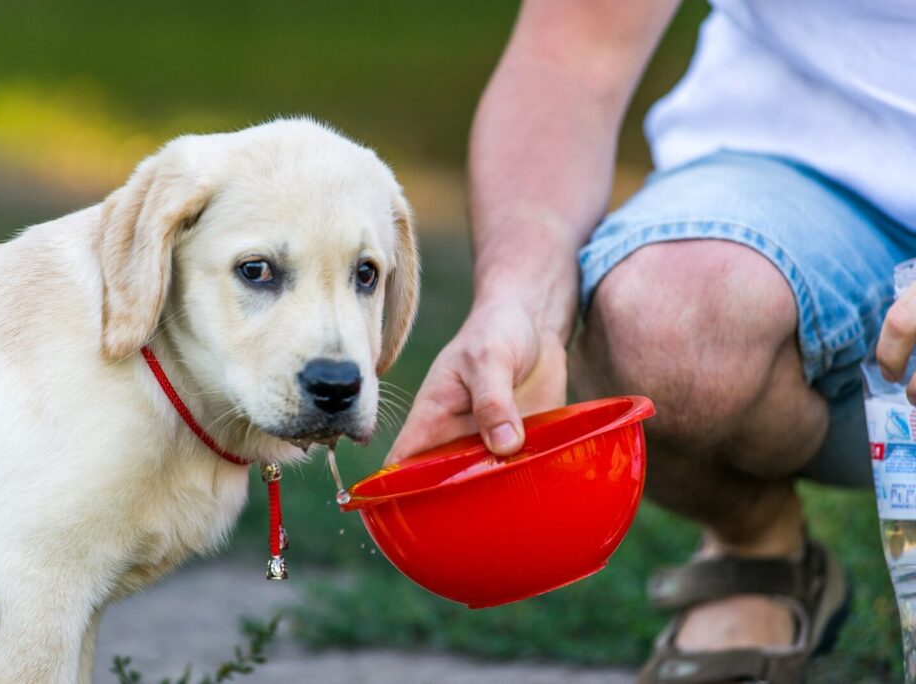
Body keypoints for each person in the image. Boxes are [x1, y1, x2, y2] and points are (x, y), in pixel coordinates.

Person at [385, 1, 916, 681]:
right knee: (664, 315)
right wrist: (518, 295)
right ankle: (756, 550)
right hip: (797, 175)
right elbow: (569, 59)